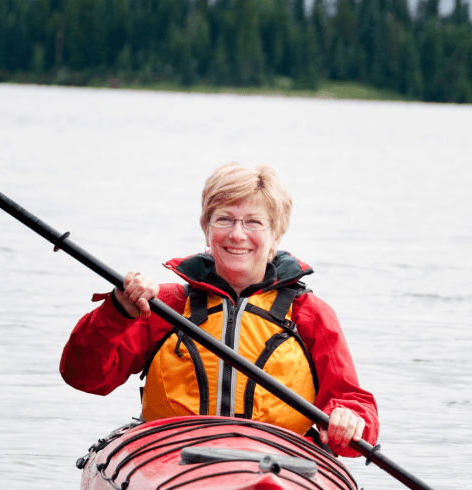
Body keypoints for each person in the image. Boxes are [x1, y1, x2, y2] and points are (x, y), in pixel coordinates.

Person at [60, 162, 377, 457]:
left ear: (276, 235)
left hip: (280, 465)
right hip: (172, 459)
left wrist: (348, 419)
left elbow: (355, 408)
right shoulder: (164, 305)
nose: (237, 234)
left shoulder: (309, 314)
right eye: (224, 219)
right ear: (206, 228)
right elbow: (84, 377)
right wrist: (117, 310)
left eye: (253, 222)